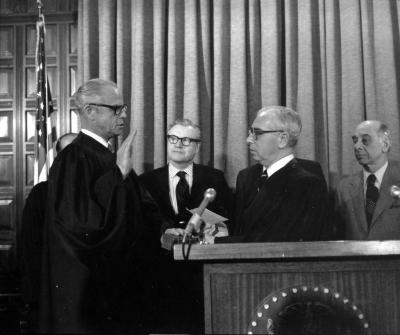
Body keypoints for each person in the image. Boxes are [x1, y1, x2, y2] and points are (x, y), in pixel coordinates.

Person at [37, 78, 163, 334]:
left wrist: (167, 230)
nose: (124, 114)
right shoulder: (73, 158)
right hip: (89, 294)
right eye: (116, 109)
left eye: (123, 107)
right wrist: (117, 175)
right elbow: (81, 226)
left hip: (118, 291)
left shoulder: (109, 156)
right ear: (90, 111)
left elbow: (143, 210)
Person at [139, 118, 232, 334]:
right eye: (173, 138)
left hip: (202, 274)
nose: (178, 144)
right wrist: (163, 233)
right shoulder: (146, 181)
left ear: (197, 146)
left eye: (186, 140)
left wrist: (217, 228)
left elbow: (227, 219)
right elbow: (142, 224)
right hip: (161, 275)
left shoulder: (214, 178)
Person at [211, 105, 330, 243]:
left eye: (257, 133)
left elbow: (275, 241)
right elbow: (246, 230)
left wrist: (216, 241)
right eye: (250, 132)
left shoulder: (305, 184)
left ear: (282, 139)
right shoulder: (253, 177)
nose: (248, 140)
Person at [20, 132, 77, 333]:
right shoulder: (42, 194)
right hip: (49, 293)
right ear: (60, 157)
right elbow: (29, 247)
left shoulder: (100, 189)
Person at [335, 120, 400, 240]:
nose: (357, 146)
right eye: (355, 141)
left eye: (365, 140)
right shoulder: (344, 188)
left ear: (385, 145)